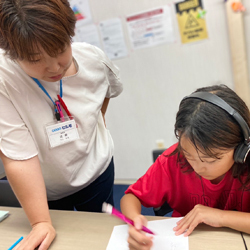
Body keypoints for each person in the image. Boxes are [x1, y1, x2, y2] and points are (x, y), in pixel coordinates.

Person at [0, 0, 122, 249]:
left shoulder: (93, 59)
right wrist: (40, 221)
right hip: (46, 187)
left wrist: (92, 127)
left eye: (59, 49)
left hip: (97, 168)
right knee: (61, 240)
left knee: (102, 235)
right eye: (35, 59)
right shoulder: (5, 78)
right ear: (12, 54)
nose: (54, 67)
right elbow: (17, 156)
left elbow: (107, 92)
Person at [120, 84, 250, 250]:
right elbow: (131, 197)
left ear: (241, 149)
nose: (198, 168)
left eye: (210, 160)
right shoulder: (173, 159)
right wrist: (134, 221)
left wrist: (221, 217)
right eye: (190, 156)